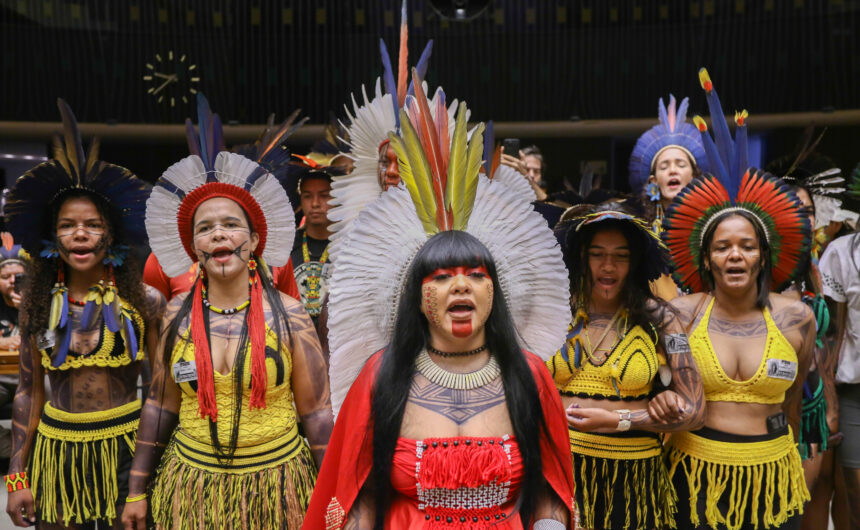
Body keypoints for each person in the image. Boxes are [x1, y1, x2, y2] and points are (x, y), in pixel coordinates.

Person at [304, 82, 575, 528]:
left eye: (475, 275)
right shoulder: (380, 376)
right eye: (443, 277)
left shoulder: (529, 375)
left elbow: (550, 490)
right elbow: (359, 497)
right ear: (417, 295)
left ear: (495, 291)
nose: (461, 287)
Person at [120, 94, 332, 530]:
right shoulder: (175, 315)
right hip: (192, 484)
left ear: (253, 240)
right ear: (193, 246)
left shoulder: (291, 316)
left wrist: (334, 497)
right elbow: (160, 404)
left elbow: (316, 413)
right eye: (205, 227)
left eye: (231, 224)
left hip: (278, 484)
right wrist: (137, 490)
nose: (219, 234)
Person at [662, 69, 814, 530]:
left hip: (772, 479)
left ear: (763, 256)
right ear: (705, 259)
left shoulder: (797, 319)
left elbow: (792, 404)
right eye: (722, 247)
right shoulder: (680, 316)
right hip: (692, 479)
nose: (734, 255)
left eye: (746, 246)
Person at [4, 99, 164, 528]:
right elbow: (28, 391)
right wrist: (17, 473)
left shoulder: (145, 301)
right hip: (57, 453)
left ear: (110, 234)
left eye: (92, 224)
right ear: (52, 237)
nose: (80, 234)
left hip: (128, 449)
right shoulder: (37, 306)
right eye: (67, 225)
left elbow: (162, 390)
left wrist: (150, 473)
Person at [547, 204, 705, 529]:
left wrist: (620, 419)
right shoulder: (552, 313)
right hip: (558, 469)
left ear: (634, 263)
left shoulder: (660, 318)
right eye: (597, 254)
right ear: (580, 257)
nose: (608, 266)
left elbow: (694, 411)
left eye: (621, 255)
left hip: (633, 480)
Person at [628, 94, 707, 301]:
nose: (673, 170)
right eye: (665, 166)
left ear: (694, 176)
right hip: (657, 316)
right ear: (654, 180)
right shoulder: (640, 227)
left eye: (681, 165)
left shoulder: (711, 222)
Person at [819, 228, 860, 528]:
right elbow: (833, 335)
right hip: (854, 394)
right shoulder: (843, 252)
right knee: (855, 493)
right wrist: (831, 403)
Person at [291, 164, 337, 322]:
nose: (315, 203)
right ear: (300, 200)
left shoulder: (348, 245)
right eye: (308, 196)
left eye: (324, 196)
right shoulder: (286, 246)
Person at [0, 234, 27, 463]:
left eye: (17, 277)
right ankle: (11, 451)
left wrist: (28, 311)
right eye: (5, 277)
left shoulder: (41, 302)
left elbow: (50, 341)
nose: (11, 282)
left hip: (33, 375)